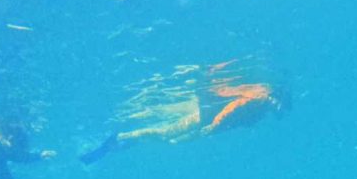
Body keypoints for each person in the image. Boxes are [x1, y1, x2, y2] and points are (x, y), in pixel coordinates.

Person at [80, 61, 288, 164]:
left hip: (208, 120)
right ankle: (119, 140)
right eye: (282, 106)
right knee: (168, 138)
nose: (280, 112)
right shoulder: (260, 98)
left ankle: (118, 143)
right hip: (208, 120)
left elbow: (238, 116)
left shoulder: (263, 105)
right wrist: (213, 126)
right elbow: (233, 109)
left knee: (167, 136)